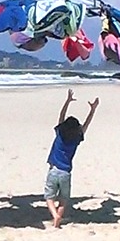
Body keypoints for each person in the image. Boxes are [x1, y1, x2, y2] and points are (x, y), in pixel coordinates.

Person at [44, 88, 99, 228]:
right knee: (63, 200)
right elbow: (87, 124)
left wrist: (67, 101)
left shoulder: (60, 134)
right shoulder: (76, 139)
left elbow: (61, 116)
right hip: (66, 173)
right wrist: (93, 110)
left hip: (53, 170)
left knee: (49, 197)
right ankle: (58, 217)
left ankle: (54, 215)